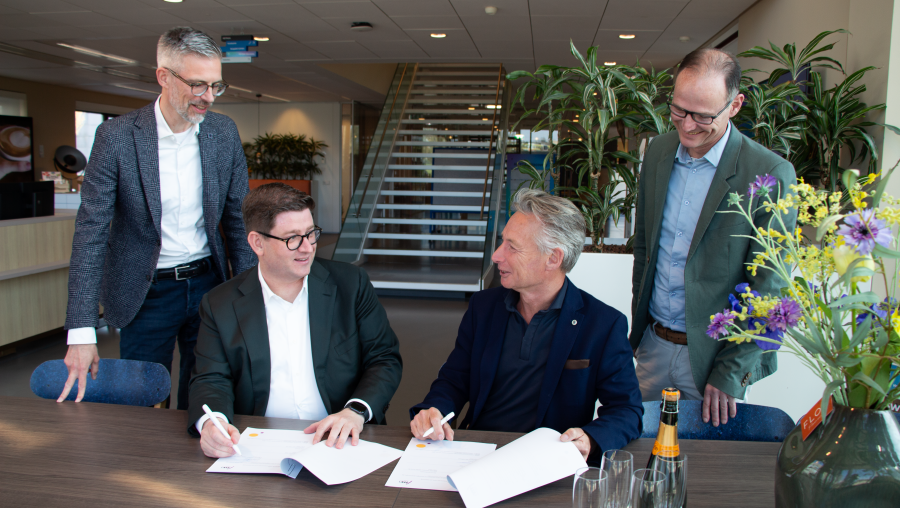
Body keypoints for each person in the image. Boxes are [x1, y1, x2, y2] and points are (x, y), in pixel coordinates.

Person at [59, 27, 256, 409]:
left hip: (209, 287)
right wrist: (81, 330)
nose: (209, 97)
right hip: (144, 293)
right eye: (198, 85)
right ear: (164, 77)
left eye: (216, 85)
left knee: (207, 398)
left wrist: (250, 294)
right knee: (141, 404)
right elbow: (91, 232)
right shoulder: (115, 137)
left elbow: (237, 219)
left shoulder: (222, 132)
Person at [410, 189, 642, 463]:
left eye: (512, 247)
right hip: (479, 453)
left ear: (553, 259)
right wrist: (434, 409)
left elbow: (626, 410)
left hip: (547, 462)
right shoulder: (483, 307)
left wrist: (590, 439)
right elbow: (455, 378)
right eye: (501, 242)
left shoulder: (603, 324)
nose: (497, 255)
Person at [631, 48, 797, 426]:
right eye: (678, 111)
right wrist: (638, 333)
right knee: (639, 452)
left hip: (713, 359)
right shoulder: (657, 151)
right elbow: (644, 247)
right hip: (653, 344)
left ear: (735, 105)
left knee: (705, 471)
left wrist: (729, 372)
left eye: (703, 116)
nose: (687, 126)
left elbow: (770, 287)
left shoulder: (768, 172)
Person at [188, 183, 403, 458]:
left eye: (311, 234)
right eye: (292, 238)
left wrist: (355, 411)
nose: (308, 247)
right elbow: (210, 378)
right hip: (255, 443)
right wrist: (211, 423)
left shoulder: (351, 285)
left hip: (341, 441)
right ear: (257, 243)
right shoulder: (219, 303)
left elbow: (384, 358)